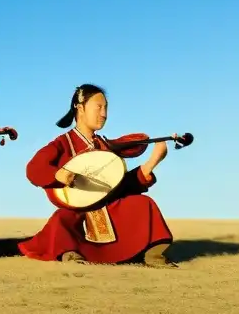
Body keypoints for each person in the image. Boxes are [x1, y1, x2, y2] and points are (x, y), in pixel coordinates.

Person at [18, 84, 176, 267]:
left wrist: (151, 163)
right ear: (80, 107)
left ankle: (153, 255)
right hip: (78, 212)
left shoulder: (105, 146)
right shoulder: (62, 143)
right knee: (62, 218)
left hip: (108, 207)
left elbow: (121, 187)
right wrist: (58, 174)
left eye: (106, 108)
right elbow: (33, 169)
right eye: (99, 107)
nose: (104, 114)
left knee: (143, 204)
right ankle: (71, 254)